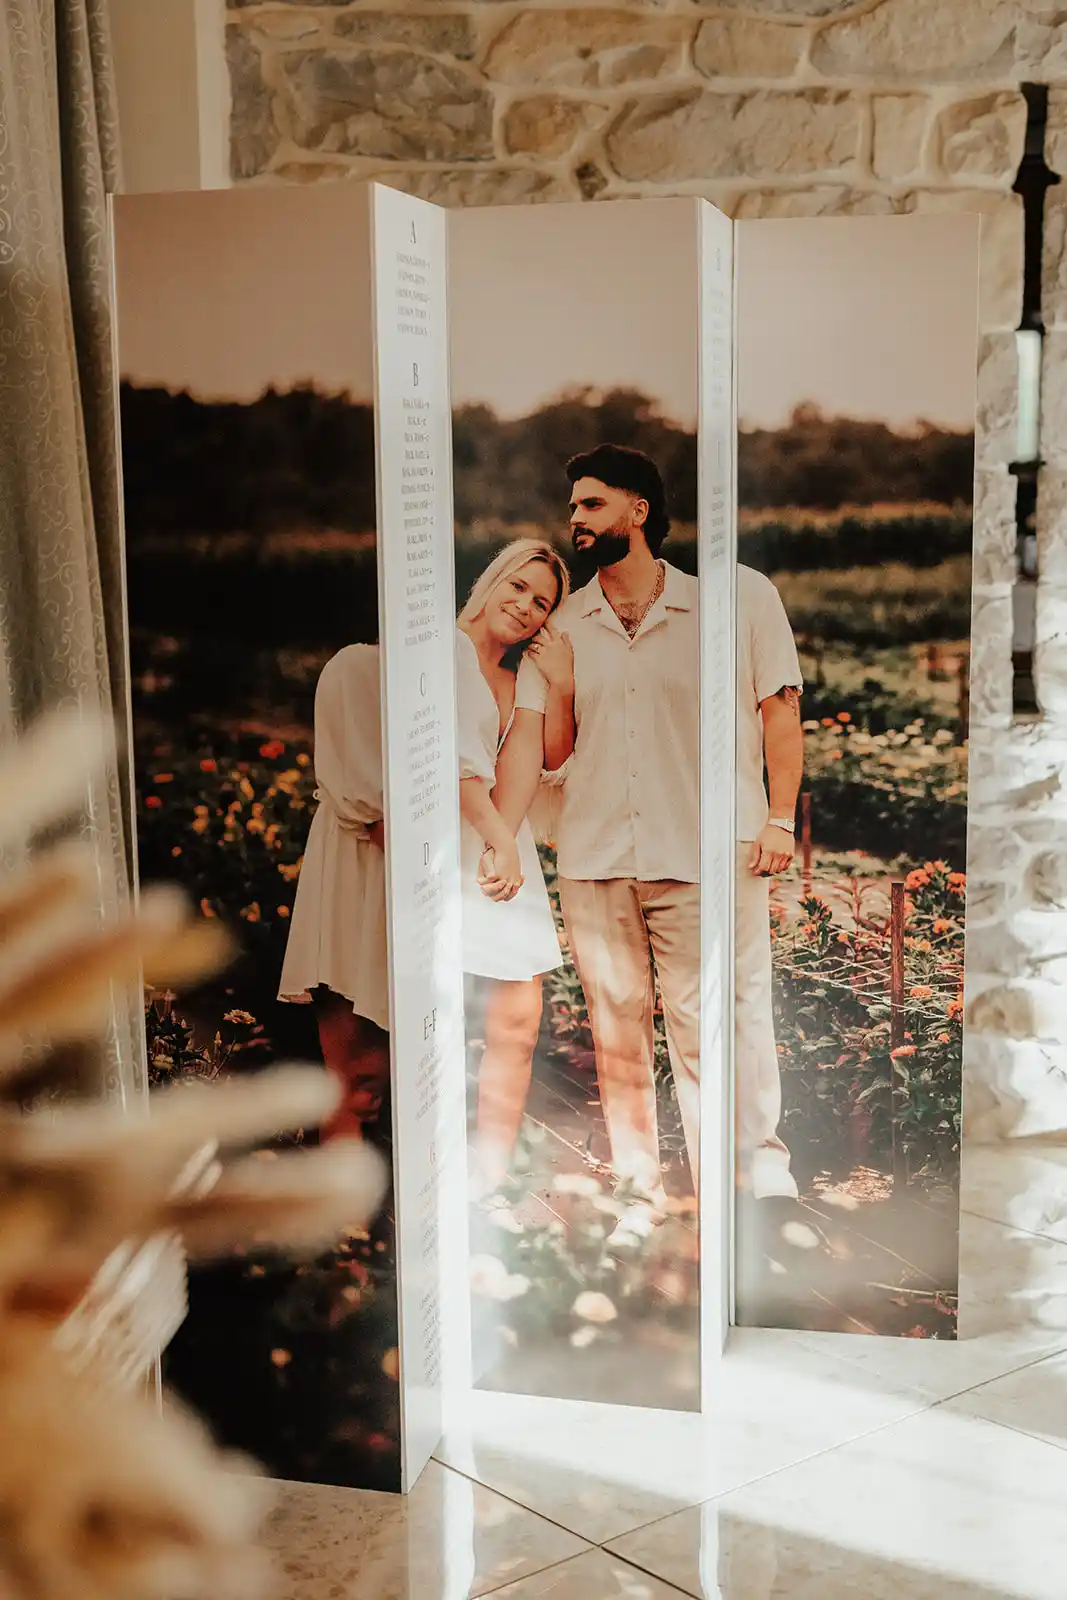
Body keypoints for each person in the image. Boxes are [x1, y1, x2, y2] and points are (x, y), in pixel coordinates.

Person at [542, 443, 701, 1244]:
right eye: (572, 508)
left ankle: (720, 1189)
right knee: (617, 1026)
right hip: (595, 854)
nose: (575, 520)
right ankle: (639, 1194)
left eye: (591, 505)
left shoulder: (705, 611)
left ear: (638, 512)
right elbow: (552, 751)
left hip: (688, 852)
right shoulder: (563, 623)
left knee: (702, 1025)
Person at [456, 538, 573, 1200]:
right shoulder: (438, 651)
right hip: (441, 835)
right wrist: (488, 838)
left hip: (503, 835)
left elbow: (535, 753)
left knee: (516, 1017)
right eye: (519, 588)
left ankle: (488, 1176)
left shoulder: (521, 674)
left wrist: (502, 844)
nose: (526, 607)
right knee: (433, 1008)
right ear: (492, 580)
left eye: (542, 602)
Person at [278, 642, 390, 1142]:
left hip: (412, 862)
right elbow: (359, 792)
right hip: (361, 860)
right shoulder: (356, 666)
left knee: (389, 1059)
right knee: (349, 1059)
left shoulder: (460, 674)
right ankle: (342, 1202)